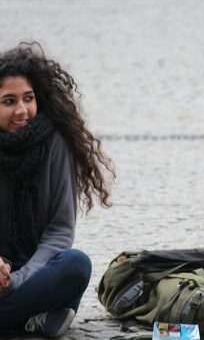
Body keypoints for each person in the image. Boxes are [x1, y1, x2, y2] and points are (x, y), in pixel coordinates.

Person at [0, 42, 115, 337]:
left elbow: (60, 231)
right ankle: (34, 317)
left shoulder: (55, 144)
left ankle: (20, 313)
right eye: (9, 101)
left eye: (28, 98)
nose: (22, 110)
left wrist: (17, 279)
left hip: (38, 273)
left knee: (76, 265)